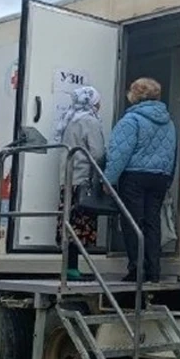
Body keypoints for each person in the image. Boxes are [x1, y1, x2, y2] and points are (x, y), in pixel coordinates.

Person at [103, 77, 177, 283]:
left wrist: (108, 180)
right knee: (153, 222)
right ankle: (154, 270)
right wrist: (168, 178)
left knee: (133, 222)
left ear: (134, 95)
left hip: (134, 176)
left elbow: (119, 154)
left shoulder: (131, 120)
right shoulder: (168, 122)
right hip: (160, 177)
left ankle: (137, 269)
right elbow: (173, 152)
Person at [53, 86, 105, 281]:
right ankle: (73, 270)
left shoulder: (70, 120)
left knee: (69, 222)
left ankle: (69, 267)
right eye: (98, 101)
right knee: (80, 225)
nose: (100, 104)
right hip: (82, 178)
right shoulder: (89, 121)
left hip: (67, 180)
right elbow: (98, 153)